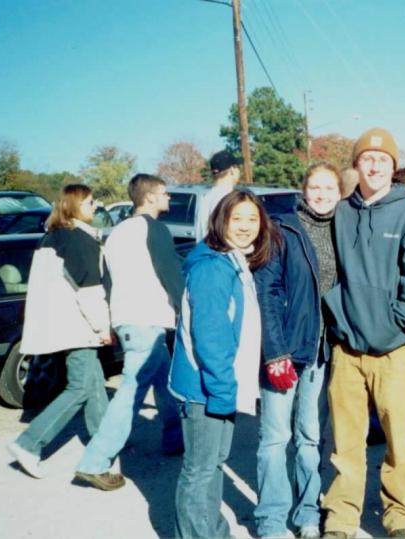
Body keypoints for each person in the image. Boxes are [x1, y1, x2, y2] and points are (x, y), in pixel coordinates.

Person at [321, 128, 405, 539]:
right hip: (348, 349)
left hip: (395, 351)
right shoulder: (340, 213)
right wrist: (339, 320)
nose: (374, 166)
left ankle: (399, 517)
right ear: (356, 165)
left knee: (399, 442)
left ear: (393, 167)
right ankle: (341, 517)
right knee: (345, 442)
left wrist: (397, 326)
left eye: (383, 160)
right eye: (367, 159)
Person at [169, 190, 278, 539]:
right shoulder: (213, 268)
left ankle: (213, 532)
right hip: (204, 387)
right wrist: (221, 390)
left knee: (212, 464)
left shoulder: (232, 261)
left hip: (217, 384)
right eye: (237, 219)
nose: (245, 226)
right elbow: (210, 337)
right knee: (200, 470)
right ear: (221, 221)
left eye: (252, 219)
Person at [74, 174, 184, 491]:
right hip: (147, 318)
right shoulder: (155, 228)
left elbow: (106, 280)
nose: (169, 198)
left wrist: (111, 320)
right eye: (164, 193)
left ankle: (176, 438)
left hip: (128, 319)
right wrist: (186, 309)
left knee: (164, 381)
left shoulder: (117, 232)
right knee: (130, 393)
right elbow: (170, 273)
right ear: (149, 197)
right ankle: (94, 462)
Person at [253, 163, 340, 539]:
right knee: (275, 439)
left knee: (310, 437)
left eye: (329, 188)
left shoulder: (343, 229)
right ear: (303, 190)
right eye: (315, 187)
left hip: (321, 351)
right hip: (285, 350)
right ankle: (271, 519)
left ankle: (307, 513)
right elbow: (266, 291)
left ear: (339, 192)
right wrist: (274, 352)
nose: (321, 194)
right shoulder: (282, 228)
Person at [8, 184, 112, 480]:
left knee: (94, 381)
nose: (95, 206)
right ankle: (28, 444)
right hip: (78, 324)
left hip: (62, 324)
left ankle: (105, 440)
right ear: (74, 206)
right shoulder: (79, 239)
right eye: (90, 202)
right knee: (80, 387)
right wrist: (102, 326)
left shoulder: (52, 236)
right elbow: (89, 290)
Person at [194, 150, 242, 241]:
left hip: (205, 248)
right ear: (232, 170)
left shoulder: (206, 198)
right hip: (221, 249)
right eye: (237, 167)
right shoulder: (229, 198)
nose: (239, 171)